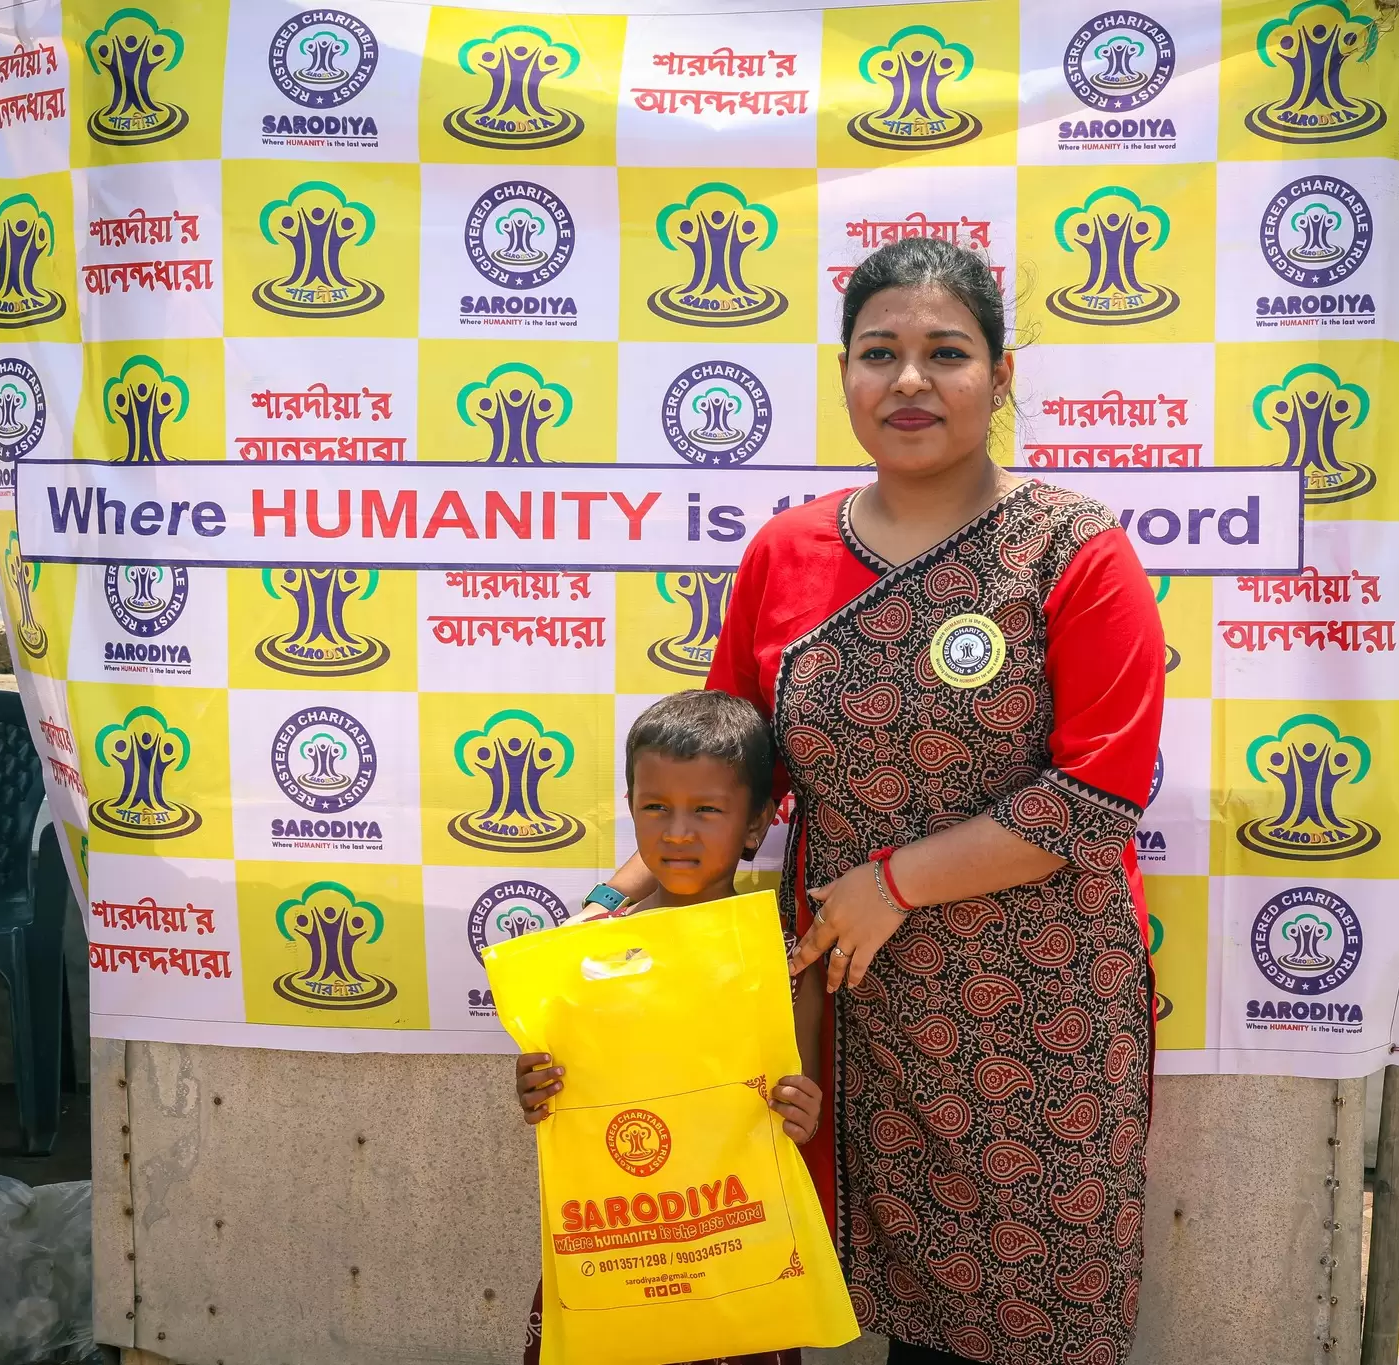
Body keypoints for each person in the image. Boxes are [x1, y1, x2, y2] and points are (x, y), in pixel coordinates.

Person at [582, 238, 1165, 1365]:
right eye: (877, 353)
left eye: (945, 353)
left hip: (1037, 1016)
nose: (909, 381)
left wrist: (892, 883)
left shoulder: (1071, 551)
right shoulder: (786, 553)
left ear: (999, 376)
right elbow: (723, 783)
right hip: (837, 1013)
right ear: (843, 372)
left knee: (1018, 1321)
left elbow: (1097, 791)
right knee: (776, 1295)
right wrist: (605, 917)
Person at [517, 690, 826, 1365]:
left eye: (706, 810)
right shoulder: (590, 958)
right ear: (630, 808)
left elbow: (798, 1102)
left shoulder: (785, 962)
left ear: (756, 824)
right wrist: (537, 1089)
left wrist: (802, 1112)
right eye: (656, 807)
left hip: (734, 1254)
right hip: (616, 1249)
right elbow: (563, 1095)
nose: (678, 831)